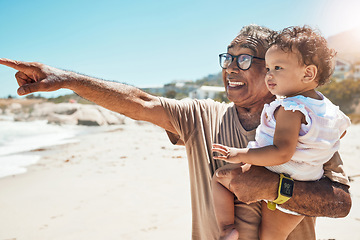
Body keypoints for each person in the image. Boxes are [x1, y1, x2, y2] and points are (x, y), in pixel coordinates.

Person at [0, 24, 351, 240]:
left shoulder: (306, 125)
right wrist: (67, 79)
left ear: (275, 71)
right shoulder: (201, 116)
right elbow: (139, 101)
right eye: (227, 58)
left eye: (244, 59)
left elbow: (340, 203)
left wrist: (274, 187)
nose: (230, 68)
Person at [211, 26, 351, 240]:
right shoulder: (327, 107)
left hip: (282, 169)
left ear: (308, 73)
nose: (269, 75)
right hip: (309, 176)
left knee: (220, 179)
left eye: (277, 68)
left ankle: (226, 229)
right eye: (267, 68)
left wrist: (239, 154)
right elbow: (340, 131)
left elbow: (281, 152)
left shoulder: (291, 107)